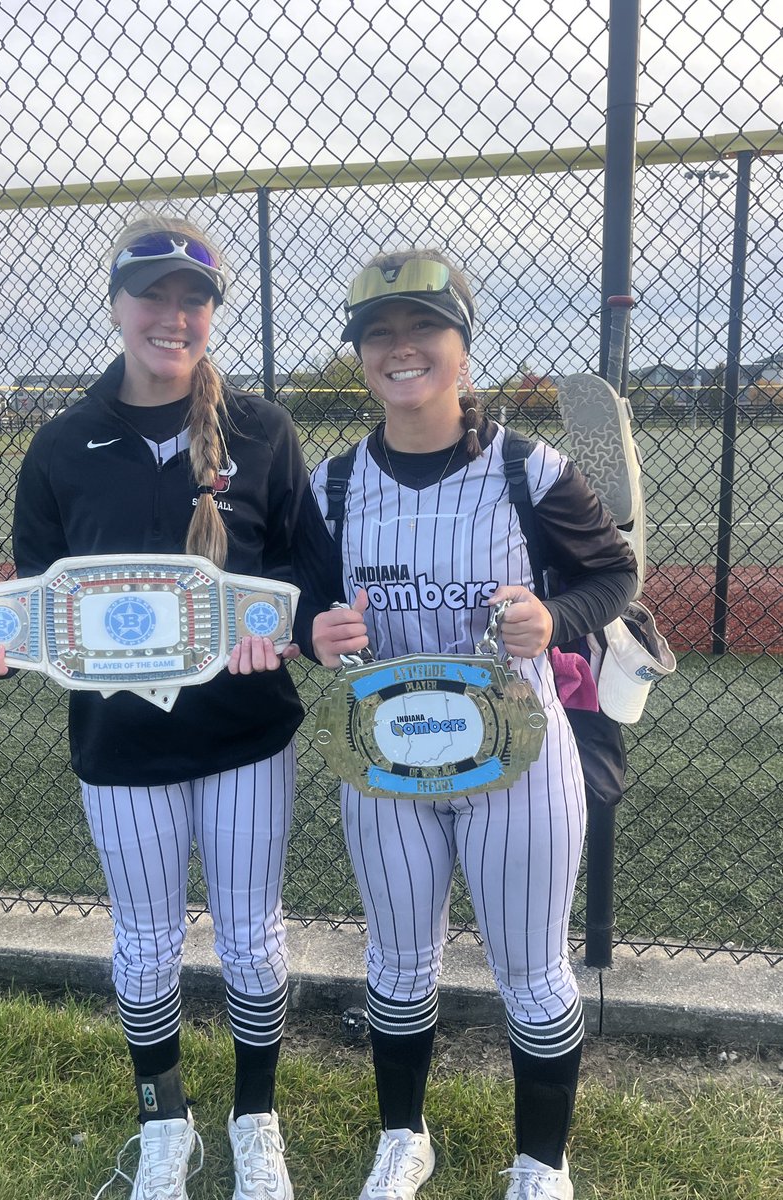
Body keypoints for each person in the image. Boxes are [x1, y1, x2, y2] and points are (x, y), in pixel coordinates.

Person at [0, 213, 314, 1200]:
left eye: (194, 299)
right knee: (146, 944)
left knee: (252, 937)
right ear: (117, 305)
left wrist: (281, 628)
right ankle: (164, 1126)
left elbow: (304, 574)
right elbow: (39, 603)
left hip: (245, 734)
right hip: (121, 744)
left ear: (211, 315)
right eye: (153, 295)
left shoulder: (261, 433)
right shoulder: (63, 444)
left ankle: (255, 1120)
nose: (173, 316)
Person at [304, 249, 639, 1200]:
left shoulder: (529, 470)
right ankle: (403, 1139)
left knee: (531, 972)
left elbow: (614, 573)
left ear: (461, 343)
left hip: (517, 757)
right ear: (361, 356)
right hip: (388, 760)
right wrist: (312, 632)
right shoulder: (333, 487)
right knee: (398, 965)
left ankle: (541, 1163)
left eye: (424, 326)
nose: (401, 348)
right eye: (379, 333)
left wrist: (556, 617)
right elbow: (303, 607)